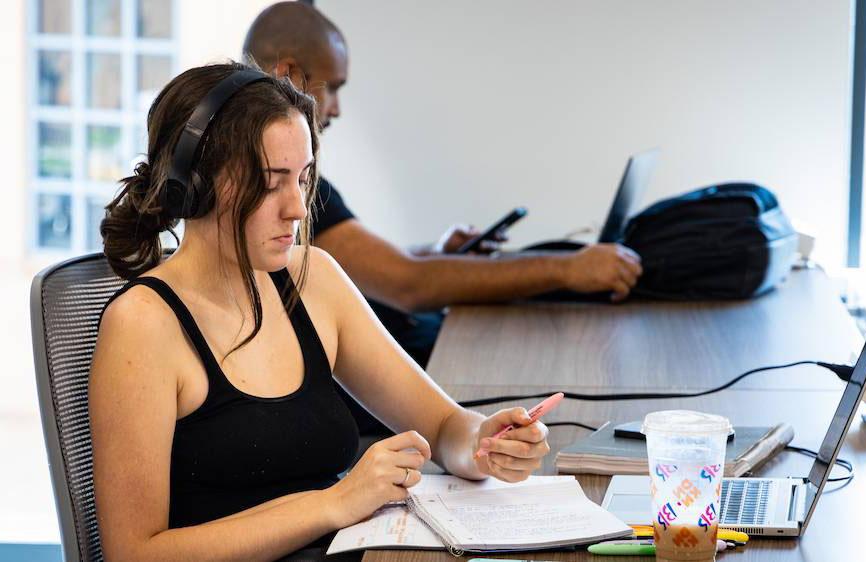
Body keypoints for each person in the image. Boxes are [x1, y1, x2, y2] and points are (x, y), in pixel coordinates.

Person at [90, 62, 551, 561]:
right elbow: (133, 553)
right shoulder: (143, 325)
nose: (296, 207)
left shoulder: (314, 279)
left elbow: (443, 427)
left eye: (304, 179)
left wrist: (485, 444)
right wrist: (333, 504)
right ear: (196, 187)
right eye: (271, 183)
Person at [243, 2, 644, 372]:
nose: (336, 109)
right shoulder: (273, 186)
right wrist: (569, 270)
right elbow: (409, 284)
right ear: (289, 75)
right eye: (333, 87)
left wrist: (433, 253)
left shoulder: (292, 178)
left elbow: (371, 268)